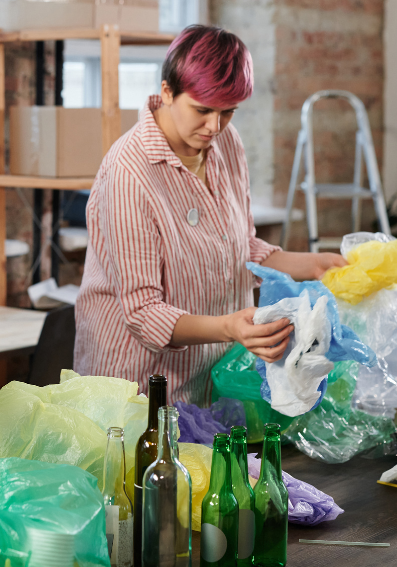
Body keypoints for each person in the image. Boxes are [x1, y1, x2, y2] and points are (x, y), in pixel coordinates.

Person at [74, 25, 346, 405]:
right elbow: (143, 314)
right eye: (201, 110)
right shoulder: (129, 172)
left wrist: (315, 265)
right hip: (137, 388)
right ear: (167, 92)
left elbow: (240, 246)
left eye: (228, 112)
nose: (214, 127)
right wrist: (229, 327)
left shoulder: (226, 144)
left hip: (210, 376)